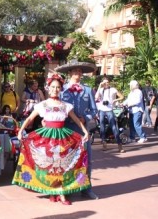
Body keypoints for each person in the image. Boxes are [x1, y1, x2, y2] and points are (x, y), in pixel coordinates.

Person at [12, 74, 90, 205]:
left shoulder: (66, 105)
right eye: (53, 87)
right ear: (48, 88)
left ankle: (61, 193)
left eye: (58, 87)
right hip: (46, 138)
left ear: (61, 89)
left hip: (63, 138)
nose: (55, 89)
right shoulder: (42, 104)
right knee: (48, 166)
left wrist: (85, 131)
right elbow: (30, 118)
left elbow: (76, 119)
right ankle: (52, 191)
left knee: (63, 166)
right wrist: (20, 130)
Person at [55, 59, 99, 200]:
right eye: (75, 71)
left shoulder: (87, 90)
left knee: (87, 160)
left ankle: (87, 189)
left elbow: (94, 109)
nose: (78, 73)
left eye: (80, 71)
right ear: (69, 73)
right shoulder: (62, 90)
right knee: (67, 160)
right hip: (66, 130)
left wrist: (85, 118)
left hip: (82, 131)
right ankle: (66, 190)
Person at [94, 77, 125, 152]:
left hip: (109, 110)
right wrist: (99, 86)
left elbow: (122, 96)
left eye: (107, 82)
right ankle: (104, 144)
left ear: (109, 83)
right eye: (104, 82)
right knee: (102, 127)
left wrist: (114, 100)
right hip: (101, 110)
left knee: (114, 127)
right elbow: (96, 97)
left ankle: (119, 145)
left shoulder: (113, 89)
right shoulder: (101, 89)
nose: (106, 84)